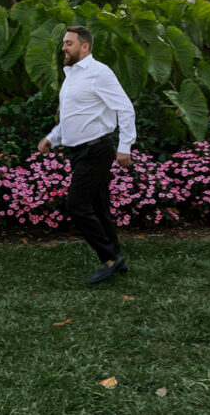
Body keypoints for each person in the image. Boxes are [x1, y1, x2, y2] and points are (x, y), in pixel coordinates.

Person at [38, 25, 136, 284]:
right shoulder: (71, 75)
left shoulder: (99, 72)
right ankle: (116, 257)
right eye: (64, 43)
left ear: (85, 46)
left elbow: (125, 108)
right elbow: (73, 117)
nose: (63, 48)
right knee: (98, 206)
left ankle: (109, 259)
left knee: (77, 205)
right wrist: (52, 139)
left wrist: (125, 147)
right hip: (79, 151)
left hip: (96, 149)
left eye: (69, 43)